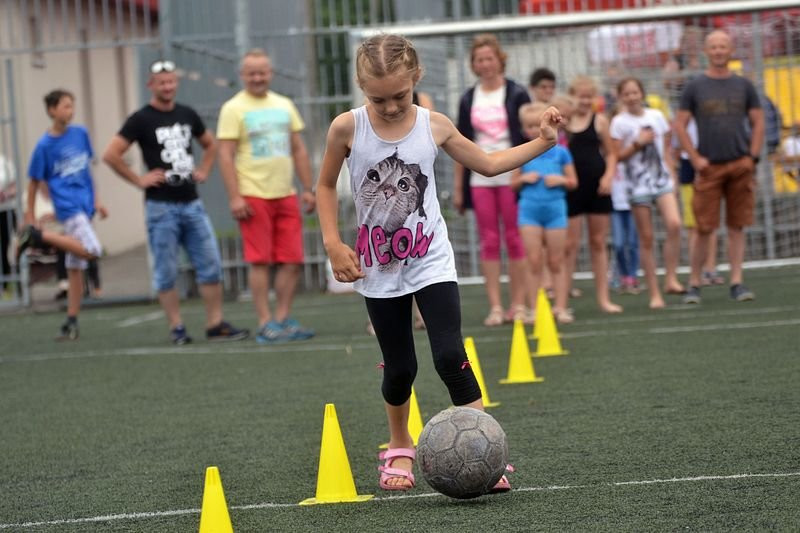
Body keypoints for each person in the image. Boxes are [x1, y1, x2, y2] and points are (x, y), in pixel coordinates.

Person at [317, 34, 560, 492]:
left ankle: (487, 454)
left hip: (431, 259)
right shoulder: (346, 128)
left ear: (416, 79)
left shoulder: (435, 125)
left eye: (400, 96)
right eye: (378, 99)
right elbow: (326, 185)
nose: (390, 107)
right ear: (361, 88)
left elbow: (488, 164)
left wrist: (542, 142)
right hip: (378, 268)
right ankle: (398, 445)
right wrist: (333, 243)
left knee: (450, 354)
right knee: (401, 367)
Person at [103, 60, 248, 344]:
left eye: (171, 82)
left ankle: (215, 323)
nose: (167, 87)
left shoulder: (186, 114)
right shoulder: (140, 119)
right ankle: (177, 327)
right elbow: (111, 154)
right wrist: (138, 179)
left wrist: (204, 169)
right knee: (166, 270)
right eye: (162, 83)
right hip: (161, 206)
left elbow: (210, 144)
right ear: (151, 86)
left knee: (210, 263)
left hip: (191, 202)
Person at [217, 49, 316, 344]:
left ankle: (283, 319)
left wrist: (308, 188)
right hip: (252, 195)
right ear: (242, 75)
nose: (257, 78)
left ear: (270, 73)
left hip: (285, 193)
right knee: (259, 261)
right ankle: (264, 322)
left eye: (262, 72)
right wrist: (235, 196)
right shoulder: (233, 108)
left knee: (292, 260)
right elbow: (225, 154)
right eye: (252, 73)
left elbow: (298, 148)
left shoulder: (284, 105)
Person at [674, 30, 764, 304]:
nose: (718, 51)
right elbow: (679, 124)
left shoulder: (744, 85)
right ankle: (694, 283)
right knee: (703, 227)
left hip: (739, 164)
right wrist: (695, 157)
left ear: (731, 49)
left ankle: (737, 281)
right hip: (708, 167)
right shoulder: (694, 86)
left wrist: (753, 156)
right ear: (706, 51)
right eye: (713, 46)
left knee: (737, 226)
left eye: (723, 46)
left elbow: (758, 121)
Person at [453, 33, 531, 326]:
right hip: (480, 177)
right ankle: (496, 307)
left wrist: (521, 171)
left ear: (500, 59)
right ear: (473, 64)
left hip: (512, 174)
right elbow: (459, 144)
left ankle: (519, 305)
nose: (485, 64)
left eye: (489, 58)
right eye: (479, 59)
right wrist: (460, 189)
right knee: (488, 240)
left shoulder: (517, 93)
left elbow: (528, 136)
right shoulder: (468, 98)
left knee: (514, 238)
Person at [16, 89, 106, 339]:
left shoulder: (80, 134)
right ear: (52, 110)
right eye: (65, 106)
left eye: (72, 106)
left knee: (74, 267)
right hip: (68, 208)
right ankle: (38, 236)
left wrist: (97, 201)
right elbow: (33, 183)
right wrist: (30, 218)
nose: (71, 111)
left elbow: (87, 171)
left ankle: (71, 322)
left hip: (85, 207)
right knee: (93, 251)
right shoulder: (44, 146)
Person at [610, 78, 683, 309]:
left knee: (674, 224)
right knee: (647, 238)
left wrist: (673, 174)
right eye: (627, 93)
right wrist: (638, 144)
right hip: (637, 183)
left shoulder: (656, 116)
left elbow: (667, 149)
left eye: (635, 92)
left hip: (660, 178)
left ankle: (670, 277)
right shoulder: (619, 123)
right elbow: (616, 156)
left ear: (642, 93)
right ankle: (654, 293)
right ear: (621, 97)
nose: (632, 97)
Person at [514, 102, 577, 324]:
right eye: (529, 126)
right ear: (524, 128)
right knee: (533, 260)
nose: (533, 129)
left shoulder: (561, 152)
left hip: (555, 210)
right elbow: (513, 183)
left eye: (536, 125)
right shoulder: (522, 152)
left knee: (556, 260)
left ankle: (560, 307)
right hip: (529, 211)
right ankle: (534, 308)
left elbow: (573, 182)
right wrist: (522, 179)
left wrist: (560, 179)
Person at [564, 76, 622, 315]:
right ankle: (562, 300)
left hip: (597, 187)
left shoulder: (600, 121)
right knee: (570, 245)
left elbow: (611, 154)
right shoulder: (564, 124)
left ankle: (603, 298)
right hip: (571, 188)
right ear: (572, 96)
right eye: (580, 96)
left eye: (589, 96)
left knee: (598, 242)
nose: (585, 101)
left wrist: (608, 177)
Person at [673, 118, 724, 286]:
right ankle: (697, 271)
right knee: (693, 225)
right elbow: (676, 143)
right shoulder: (684, 113)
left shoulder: (711, 112)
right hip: (689, 165)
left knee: (710, 222)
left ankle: (710, 268)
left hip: (709, 163)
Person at [610, 161, 640, 294]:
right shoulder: (610, 160)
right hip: (615, 206)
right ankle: (623, 275)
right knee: (618, 244)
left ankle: (632, 277)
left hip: (633, 204)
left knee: (633, 243)